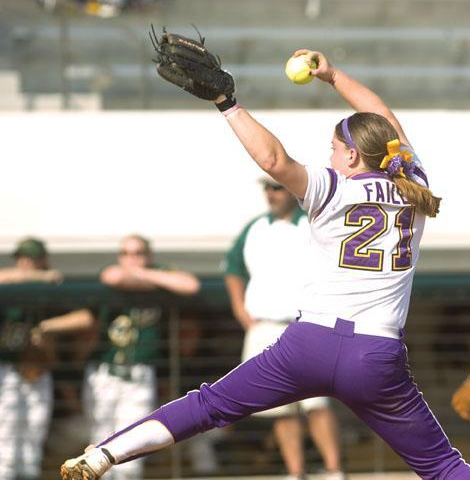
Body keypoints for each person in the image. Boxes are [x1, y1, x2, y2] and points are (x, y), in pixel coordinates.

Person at [61, 47, 470, 480]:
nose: (332, 156)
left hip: (310, 343)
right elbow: (386, 121)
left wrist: (228, 103)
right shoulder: (413, 185)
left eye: (336, 149)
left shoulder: (334, 186)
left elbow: (273, 161)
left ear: (354, 157)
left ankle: (104, 456)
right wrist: (335, 76)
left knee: (209, 405)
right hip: (376, 355)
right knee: (441, 465)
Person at [224, 177, 345, 480]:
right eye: (266, 188)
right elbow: (233, 268)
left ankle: (334, 470)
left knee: (316, 402)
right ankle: (296, 472)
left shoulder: (314, 223)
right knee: (279, 406)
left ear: (291, 190)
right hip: (263, 327)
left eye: (276, 187)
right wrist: (241, 310)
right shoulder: (254, 228)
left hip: (305, 326)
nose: (270, 193)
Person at [82, 234, 200, 480]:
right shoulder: (116, 270)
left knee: (130, 447)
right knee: (98, 441)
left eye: (138, 254)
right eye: (126, 254)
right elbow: (112, 276)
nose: (131, 259)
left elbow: (190, 285)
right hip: (105, 370)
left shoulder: (158, 271)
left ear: (148, 256)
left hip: (140, 373)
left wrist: (144, 276)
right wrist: (155, 281)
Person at [0, 237, 95, 480]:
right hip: (7, 369)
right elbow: (5, 277)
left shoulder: (51, 294)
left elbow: (86, 316)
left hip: (38, 369)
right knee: (6, 442)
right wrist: (42, 277)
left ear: (43, 260)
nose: (25, 264)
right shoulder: (16, 282)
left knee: (32, 439)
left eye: (31, 259)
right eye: (22, 258)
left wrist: (46, 327)